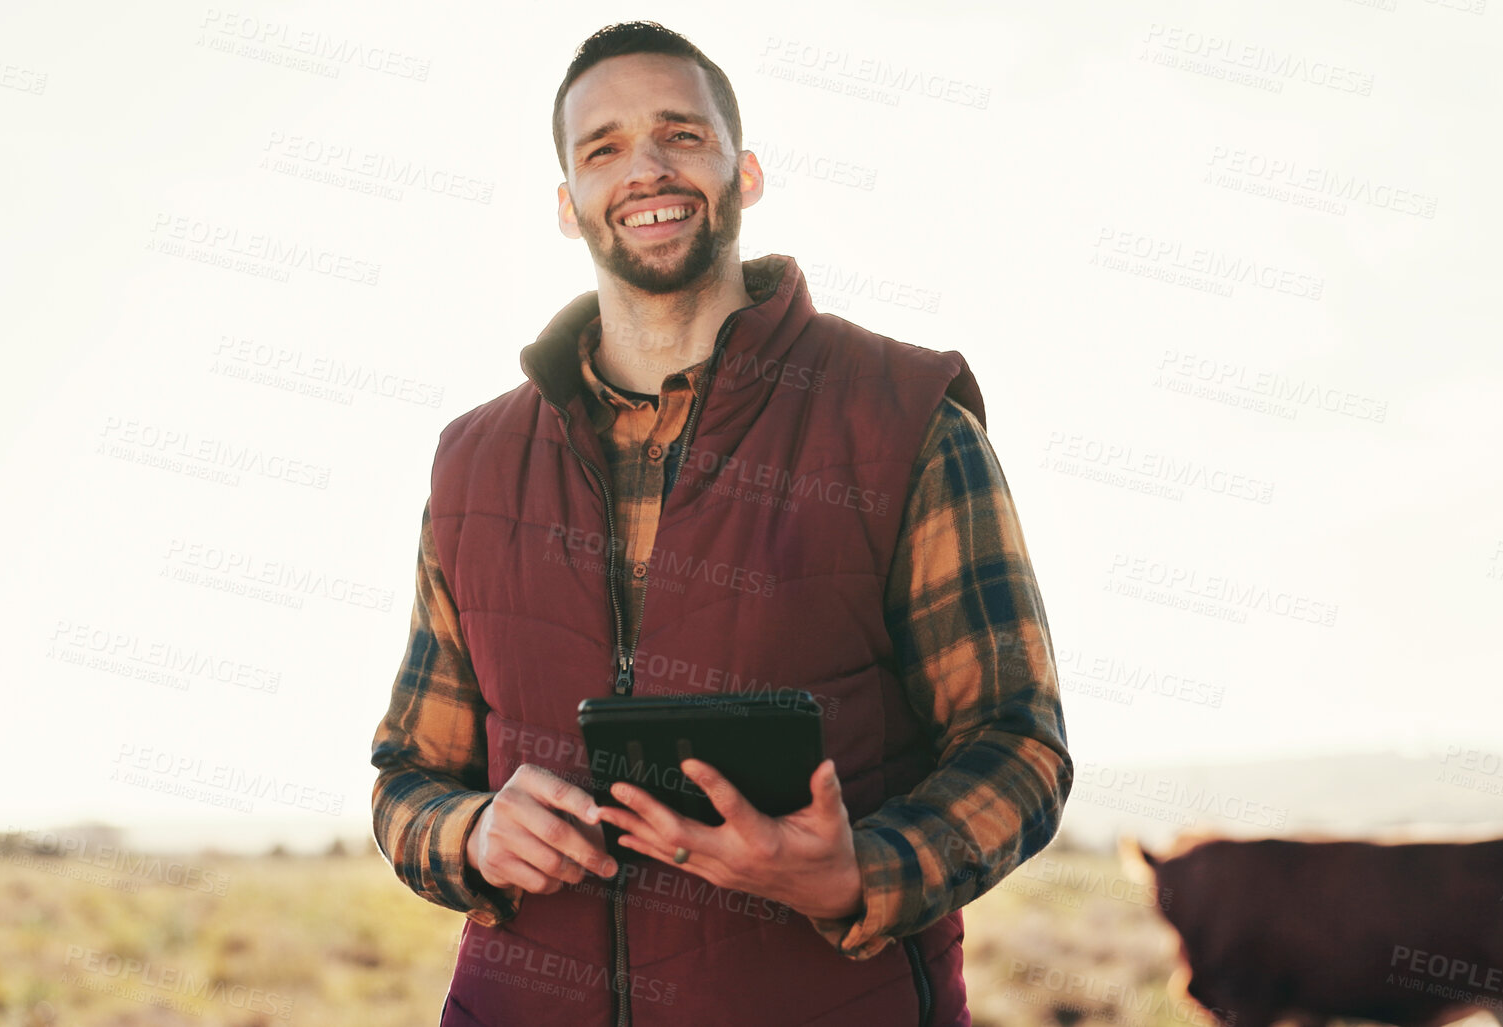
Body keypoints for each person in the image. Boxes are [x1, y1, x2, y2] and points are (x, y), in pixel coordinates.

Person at [369, 21, 1071, 1027]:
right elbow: (407, 776)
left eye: (682, 135)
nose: (645, 169)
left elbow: (1018, 743)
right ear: (568, 205)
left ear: (744, 173)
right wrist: (471, 832)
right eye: (603, 148)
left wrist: (858, 873)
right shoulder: (474, 461)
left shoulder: (903, 418)